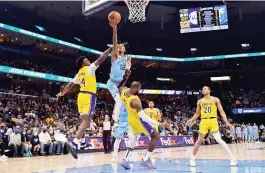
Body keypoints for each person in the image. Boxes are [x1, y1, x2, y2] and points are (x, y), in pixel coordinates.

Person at [57, 47, 112, 159]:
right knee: (87, 123)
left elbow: (70, 85)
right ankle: (75, 142)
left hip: (81, 96)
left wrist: (62, 93)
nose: (89, 61)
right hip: (89, 96)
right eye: (87, 60)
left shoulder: (79, 73)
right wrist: (111, 48)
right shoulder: (90, 68)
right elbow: (101, 58)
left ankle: (81, 142)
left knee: (83, 122)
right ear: (83, 63)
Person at [120, 81, 170, 169]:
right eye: (139, 89)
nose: (139, 90)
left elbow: (121, 87)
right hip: (138, 120)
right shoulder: (135, 100)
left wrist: (126, 77)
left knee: (134, 138)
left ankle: (125, 159)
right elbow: (144, 118)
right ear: (135, 88)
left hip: (130, 119)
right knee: (155, 135)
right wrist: (160, 124)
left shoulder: (124, 91)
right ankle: (145, 159)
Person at [186, 86, 237, 167]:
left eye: (205, 88)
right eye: (202, 89)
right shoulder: (200, 101)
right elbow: (197, 114)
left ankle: (233, 158)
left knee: (218, 139)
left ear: (209, 90)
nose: (203, 90)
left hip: (213, 121)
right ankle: (192, 159)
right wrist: (191, 120)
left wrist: (226, 122)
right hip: (204, 121)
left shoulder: (215, 99)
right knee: (199, 140)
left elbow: (221, 111)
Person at [111, 70, 131, 162]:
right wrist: (126, 77)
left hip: (129, 122)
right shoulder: (119, 97)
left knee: (132, 138)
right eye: (124, 89)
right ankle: (114, 156)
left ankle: (127, 156)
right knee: (118, 140)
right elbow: (121, 87)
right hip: (120, 122)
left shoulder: (130, 99)